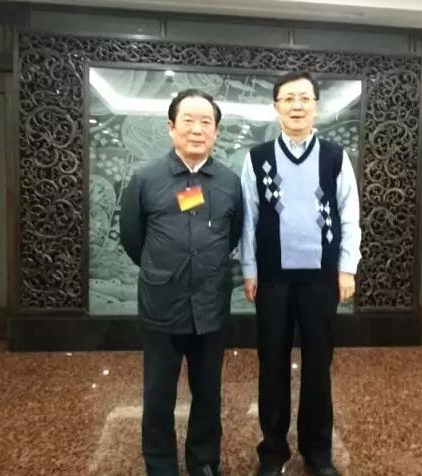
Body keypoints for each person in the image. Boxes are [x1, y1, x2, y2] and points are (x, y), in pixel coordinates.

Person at [240, 71, 361, 476]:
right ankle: (272, 451)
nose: (296, 105)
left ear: (316, 106)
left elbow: (349, 213)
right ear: (276, 106)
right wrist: (249, 269)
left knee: (318, 366)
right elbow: (248, 217)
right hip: (272, 278)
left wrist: (346, 268)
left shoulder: (334, 156)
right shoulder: (257, 157)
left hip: (321, 279)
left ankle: (317, 450)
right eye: (288, 98)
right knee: (272, 365)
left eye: (304, 98)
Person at [120, 89, 243, 476]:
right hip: (163, 303)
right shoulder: (146, 179)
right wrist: (164, 269)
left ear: (216, 132)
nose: (197, 129)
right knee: (158, 393)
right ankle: (160, 465)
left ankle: (203, 461)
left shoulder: (229, 182)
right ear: (171, 127)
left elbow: (233, 235)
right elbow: (133, 239)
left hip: (210, 303)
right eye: (188, 120)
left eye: (206, 122)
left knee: (208, 391)